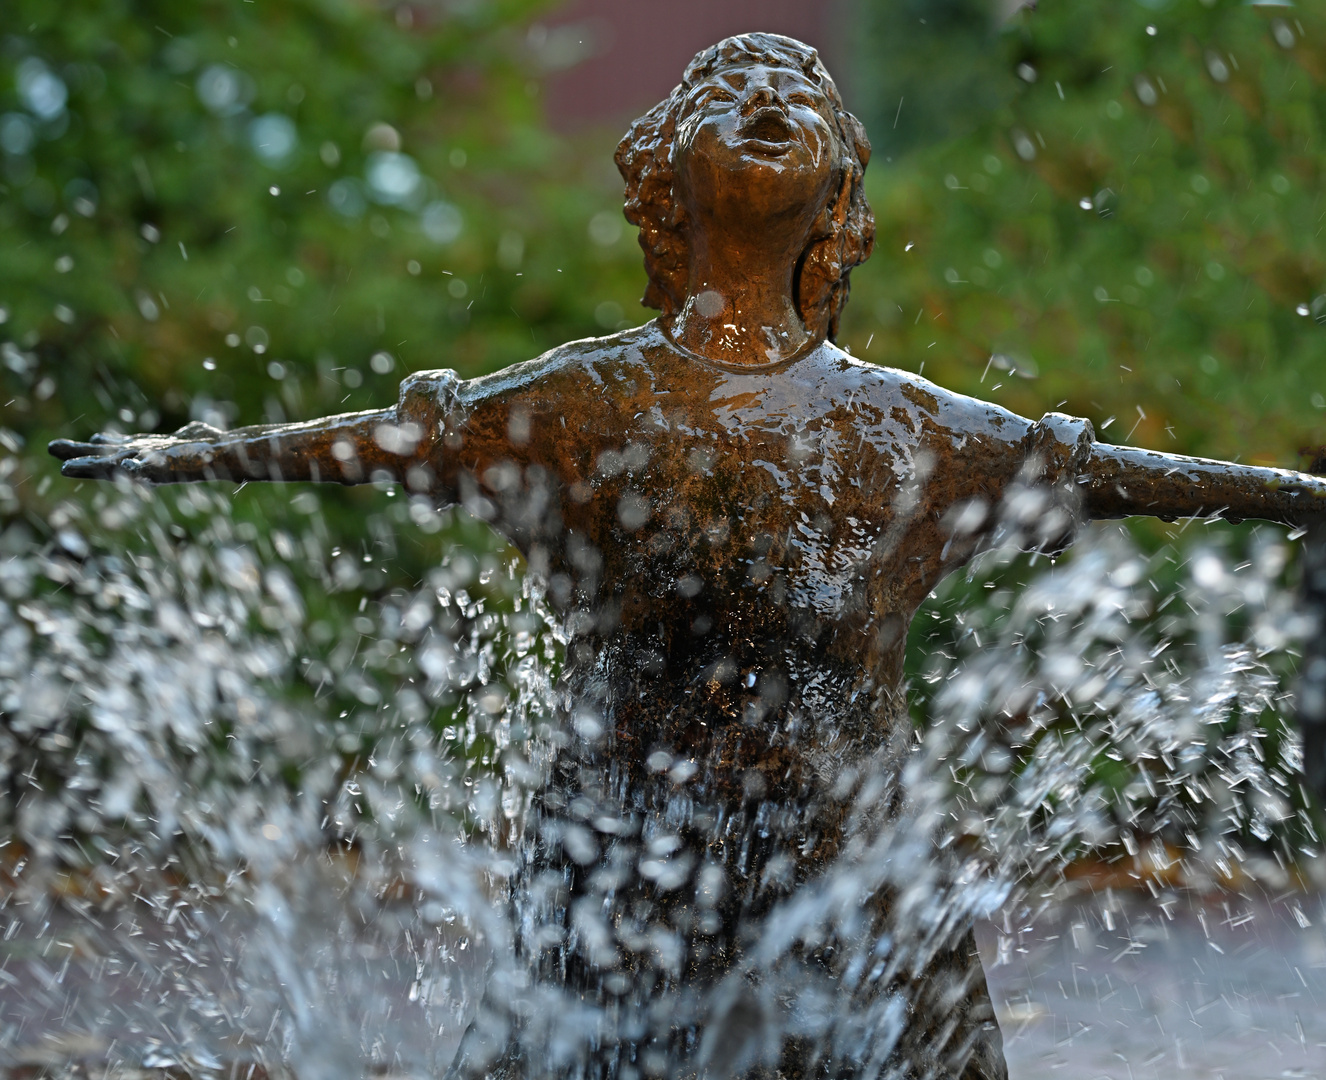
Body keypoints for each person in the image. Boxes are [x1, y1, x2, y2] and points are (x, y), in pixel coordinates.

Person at [50, 33, 1326, 1080]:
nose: (769, 100)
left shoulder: (907, 425)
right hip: (619, 847)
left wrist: (1302, 499)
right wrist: (182, 456)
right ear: (666, 173)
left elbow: (1110, 479)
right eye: (729, 91)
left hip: (851, 861)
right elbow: (394, 447)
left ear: (839, 193)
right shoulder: (582, 402)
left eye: (800, 97)